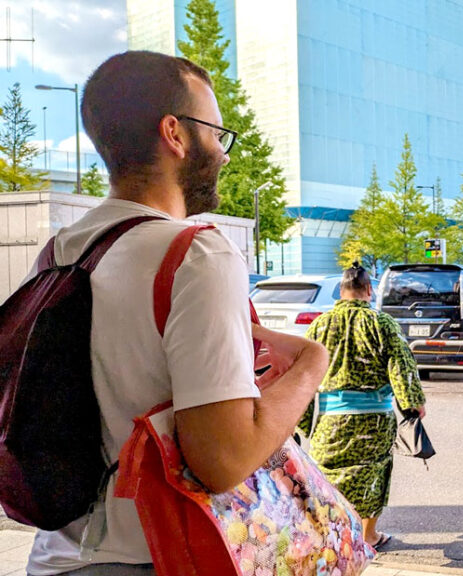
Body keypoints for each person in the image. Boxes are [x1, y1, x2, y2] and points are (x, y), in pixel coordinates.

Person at [23, 51, 329, 576]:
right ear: (176, 134)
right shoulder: (197, 253)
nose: (224, 153)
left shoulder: (59, 253)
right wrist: (310, 366)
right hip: (159, 556)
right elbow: (222, 461)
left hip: (58, 557)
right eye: (216, 132)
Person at [302, 263, 426, 549]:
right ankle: (368, 536)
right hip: (374, 420)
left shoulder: (319, 325)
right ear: (369, 291)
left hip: (329, 419)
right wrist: (413, 404)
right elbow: (401, 365)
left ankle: (330, 535)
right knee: (373, 475)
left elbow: (304, 372)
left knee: (326, 475)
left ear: (341, 291)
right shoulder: (382, 324)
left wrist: (304, 421)